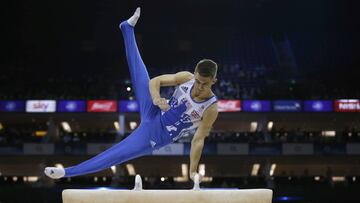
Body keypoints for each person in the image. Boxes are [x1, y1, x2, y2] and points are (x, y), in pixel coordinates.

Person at [44, 7, 218, 181]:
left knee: (117, 154)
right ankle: (127, 28)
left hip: (156, 135)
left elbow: (198, 139)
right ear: (194, 75)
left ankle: (67, 172)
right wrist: (157, 99)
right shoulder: (186, 78)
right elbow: (155, 82)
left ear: (213, 81)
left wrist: (193, 171)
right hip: (155, 110)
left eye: (205, 83)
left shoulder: (210, 108)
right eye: (198, 81)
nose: (199, 86)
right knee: (142, 77)